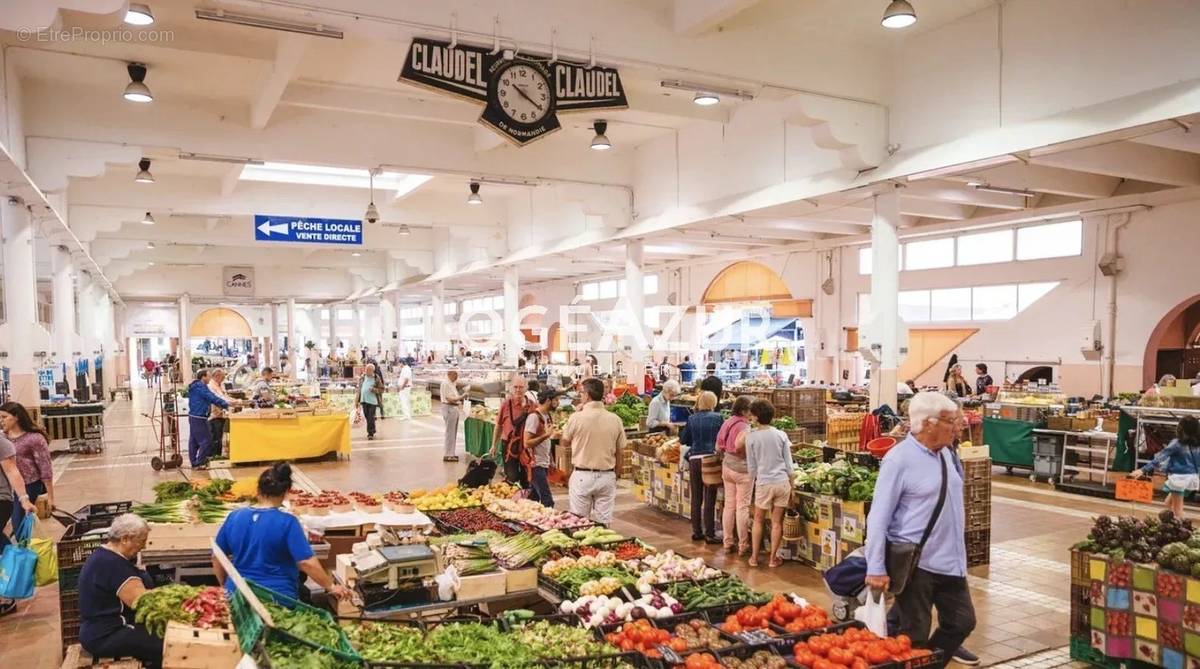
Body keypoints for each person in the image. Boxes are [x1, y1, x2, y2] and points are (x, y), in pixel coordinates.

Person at [865, 392, 975, 664]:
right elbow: (878, 517)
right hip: (917, 565)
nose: (956, 426)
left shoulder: (947, 455)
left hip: (952, 563)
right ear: (928, 423)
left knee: (962, 622)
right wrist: (875, 567)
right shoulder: (899, 460)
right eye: (950, 421)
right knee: (914, 636)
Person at [214, 463, 351, 602]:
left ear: (258, 489)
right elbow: (306, 563)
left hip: (238, 595)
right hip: (276, 598)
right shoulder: (287, 522)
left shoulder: (235, 516)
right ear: (287, 491)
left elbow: (217, 556)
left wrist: (227, 586)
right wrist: (331, 586)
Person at [77, 514, 161, 667]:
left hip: (96, 631)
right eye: (141, 541)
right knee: (164, 641)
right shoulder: (112, 565)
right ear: (125, 539)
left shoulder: (104, 555)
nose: (144, 546)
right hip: (106, 634)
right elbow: (142, 602)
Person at [561, 378, 625, 525]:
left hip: (582, 475)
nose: (580, 396)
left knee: (578, 522)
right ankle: (604, 547)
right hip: (607, 475)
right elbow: (620, 451)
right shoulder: (615, 419)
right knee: (604, 524)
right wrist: (616, 474)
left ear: (588, 395)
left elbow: (564, 441)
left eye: (581, 393)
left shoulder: (576, 418)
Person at [744, 399, 794, 568]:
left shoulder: (751, 437)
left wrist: (752, 485)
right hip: (782, 482)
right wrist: (792, 486)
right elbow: (789, 465)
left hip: (763, 483)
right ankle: (773, 558)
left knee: (758, 520)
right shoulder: (781, 435)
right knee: (777, 522)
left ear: (757, 417)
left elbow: (751, 467)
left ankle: (754, 558)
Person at [1131, 416, 1200, 517]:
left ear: (1181, 429)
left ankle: (1182, 529)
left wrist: (1142, 470)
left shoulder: (1177, 443)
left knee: (1177, 510)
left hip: (1179, 479)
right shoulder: (1197, 445)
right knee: (1168, 504)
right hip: (1192, 478)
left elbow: (1160, 458)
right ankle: (1170, 526)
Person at [1, 402, 54, 534]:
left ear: (16, 417)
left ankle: (23, 552)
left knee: (18, 522)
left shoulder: (34, 438)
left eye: (4, 417)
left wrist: (51, 497)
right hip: (9, 487)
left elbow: (45, 467)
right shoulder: (3, 438)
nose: (1, 421)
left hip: (30, 484)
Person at [680, 391, 723, 544]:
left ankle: (697, 531)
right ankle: (710, 534)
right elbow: (721, 439)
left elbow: (684, 439)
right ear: (713, 403)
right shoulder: (718, 418)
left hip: (694, 459)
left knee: (696, 497)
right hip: (710, 459)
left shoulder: (691, 418)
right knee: (710, 498)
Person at [717, 395, 754, 556]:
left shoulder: (728, 422)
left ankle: (727, 542)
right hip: (742, 470)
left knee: (729, 505)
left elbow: (718, 446)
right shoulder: (745, 427)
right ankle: (743, 545)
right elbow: (743, 449)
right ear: (744, 411)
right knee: (742, 507)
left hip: (727, 467)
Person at [490, 375, 534, 486]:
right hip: (509, 446)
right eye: (515, 387)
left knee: (526, 478)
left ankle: (525, 499)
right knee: (512, 476)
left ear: (526, 388)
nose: (518, 390)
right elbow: (498, 425)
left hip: (526, 446)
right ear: (511, 388)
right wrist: (493, 445)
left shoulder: (532, 405)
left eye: (521, 387)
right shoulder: (505, 405)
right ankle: (510, 498)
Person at [524, 389, 561, 507]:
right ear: (548, 400)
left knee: (533, 499)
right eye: (556, 400)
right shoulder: (534, 417)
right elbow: (527, 443)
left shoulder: (547, 416)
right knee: (547, 501)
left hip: (544, 463)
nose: (558, 402)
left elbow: (546, 442)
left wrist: (551, 460)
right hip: (535, 465)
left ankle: (528, 522)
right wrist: (546, 435)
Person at [187, 369, 229, 469]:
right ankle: (200, 463)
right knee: (206, 440)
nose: (210, 378)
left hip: (193, 416)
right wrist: (225, 404)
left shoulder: (198, 386)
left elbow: (212, 396)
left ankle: (194, 462)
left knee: (193, 441)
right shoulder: (200, 388)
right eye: (209, 376)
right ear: (203, 377)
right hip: (199, 417)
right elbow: (211, 398)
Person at [207, 369, 233, 458]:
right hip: (214, 416)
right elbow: (219, 398)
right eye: (222, 377)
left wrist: (233, 400)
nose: (223, 379)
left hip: (221, 414)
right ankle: (213, 457)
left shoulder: (220, 384)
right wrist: (231, 402)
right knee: (215, 438)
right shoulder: (211, 386)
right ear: (217, 376)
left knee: (219, 437)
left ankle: (217, 455)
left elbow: (224, 395)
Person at [440, 370, 464, 462]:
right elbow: (449, 399)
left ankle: (451, 453)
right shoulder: (445, 384)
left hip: (453, 408)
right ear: (449, 374)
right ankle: (448, 454)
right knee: (450, 432)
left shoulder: (451, 384)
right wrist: (462, 397)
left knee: (453, 432)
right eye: (455, 374)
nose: (457, 376)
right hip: (449, 408)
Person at [356, 363, 381, 440]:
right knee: (367, 417)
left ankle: (370, 433)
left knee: (370, 417)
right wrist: (357, 401)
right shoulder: (363, 377)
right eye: (366, 369)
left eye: (368, 370)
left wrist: (374, 390)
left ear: (372, 370)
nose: (366, 371)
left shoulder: (376, 378)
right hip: (364, 400)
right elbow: (359, 389)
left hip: (372, 401)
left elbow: (381, 389)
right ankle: (372, 429)